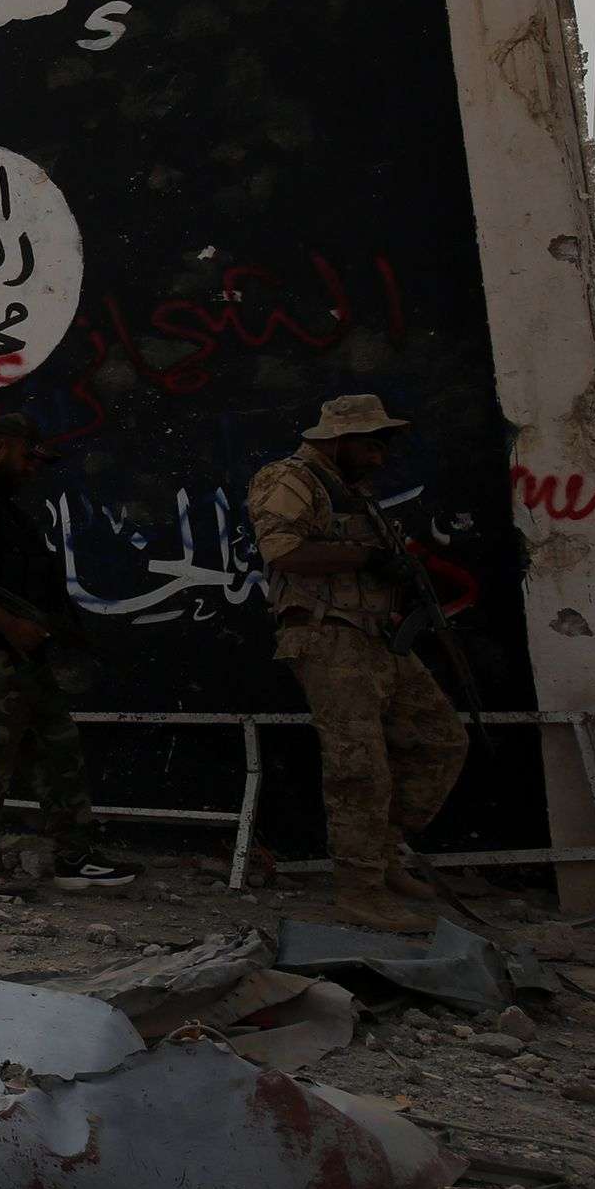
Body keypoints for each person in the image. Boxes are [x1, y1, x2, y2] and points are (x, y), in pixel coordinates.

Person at [246, 394, 469, 931]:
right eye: (372, 444)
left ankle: (383, 855)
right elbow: (283, 552)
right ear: (339, 438)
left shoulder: (354, 491)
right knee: (358, 769)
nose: (380, 457)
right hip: (328, 640)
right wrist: (369, 557)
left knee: (440, 740)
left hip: (377, 640)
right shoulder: (291, 478)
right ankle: (360, 889)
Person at [0, 415, 138, 900]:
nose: (31, 469)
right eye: (26, 458)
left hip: (19, 648)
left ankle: (75, 857)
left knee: (56, 747)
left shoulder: (0, 506)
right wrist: (10, 625)